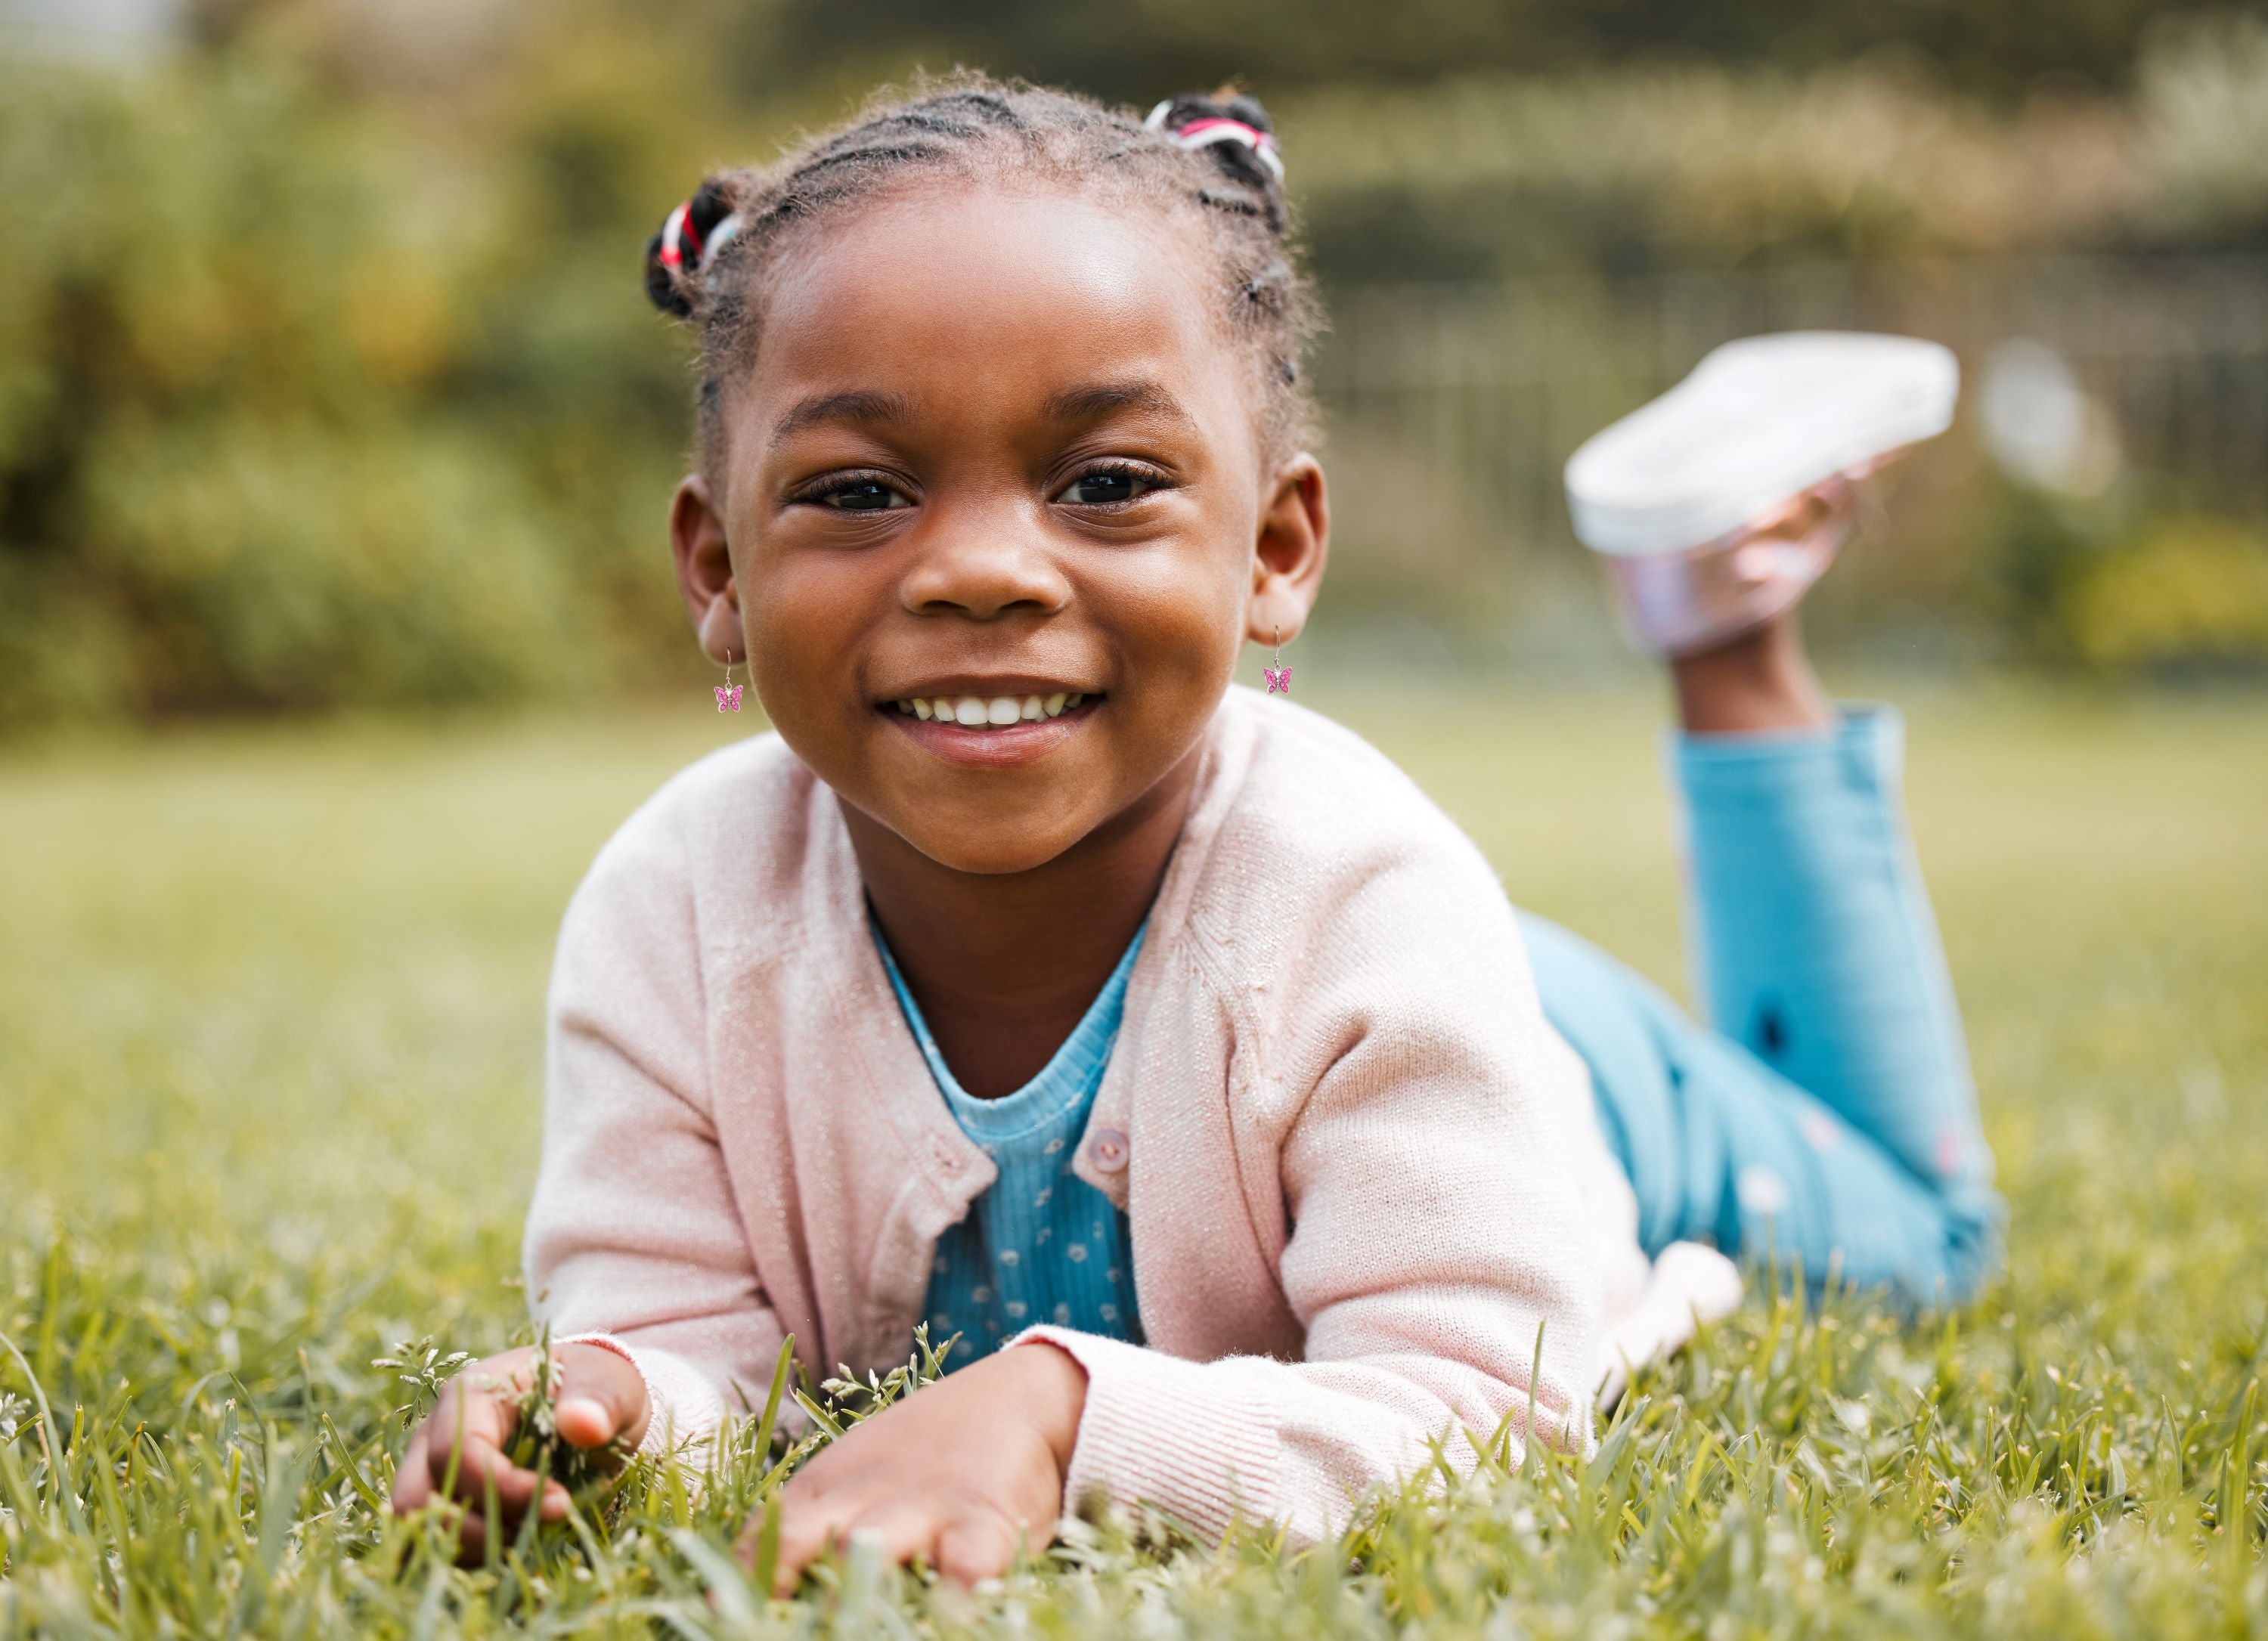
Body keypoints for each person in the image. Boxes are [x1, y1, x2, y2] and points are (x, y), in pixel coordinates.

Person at [386, 77, 2002, 1586]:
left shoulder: (1370, 897)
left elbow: (1482, 1411)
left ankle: (1724, 630)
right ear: (718, 570)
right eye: (861, 492)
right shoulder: (676, 911)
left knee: (1927, 1241)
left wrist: (1064, 1416)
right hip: (1344, 1000)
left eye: (1105, 482)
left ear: (1276, 549)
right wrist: (604, 1399)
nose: (982, 572)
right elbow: (689, 1339)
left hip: (1532, 1055)